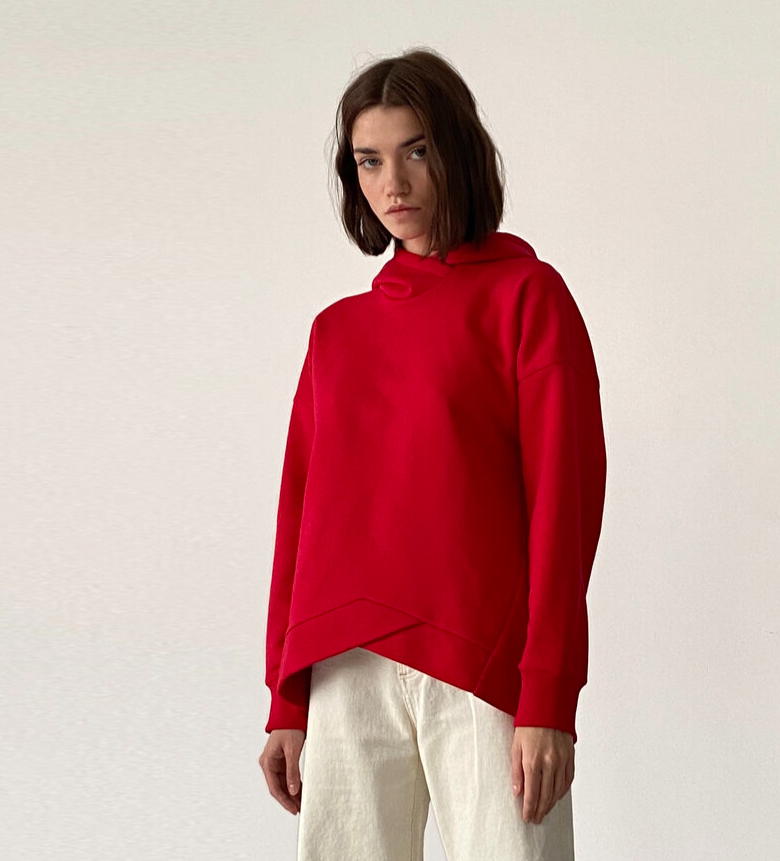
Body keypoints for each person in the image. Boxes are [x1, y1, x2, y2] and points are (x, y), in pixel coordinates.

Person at [258, 47, 607, 861]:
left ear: (457, 151)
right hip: (343, 668)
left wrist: (548, 695)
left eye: (415, 151)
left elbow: (564, 504)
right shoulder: (335, 333)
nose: (393, 183)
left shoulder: (526, 298)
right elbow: (299, 519)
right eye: (369, 161)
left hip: (483, 665)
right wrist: (287, 698)